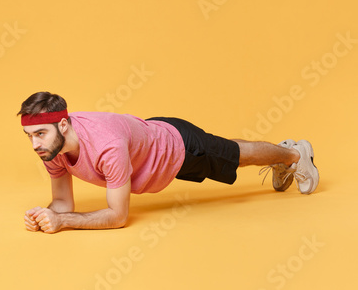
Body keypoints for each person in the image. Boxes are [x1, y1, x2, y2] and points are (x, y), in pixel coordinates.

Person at [19, 92, 319, 234]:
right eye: (29, 135)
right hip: (152, 137)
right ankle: (287, 155)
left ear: (62, 125)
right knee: (232, 150)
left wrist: (65, 222)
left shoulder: (107, 146)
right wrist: (44, 215)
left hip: (178, 148)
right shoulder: (52, 148)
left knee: (238, 155)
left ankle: (294, 155)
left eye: (40, 133)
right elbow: (61, 203)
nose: (35, 144)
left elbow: (118, 216)